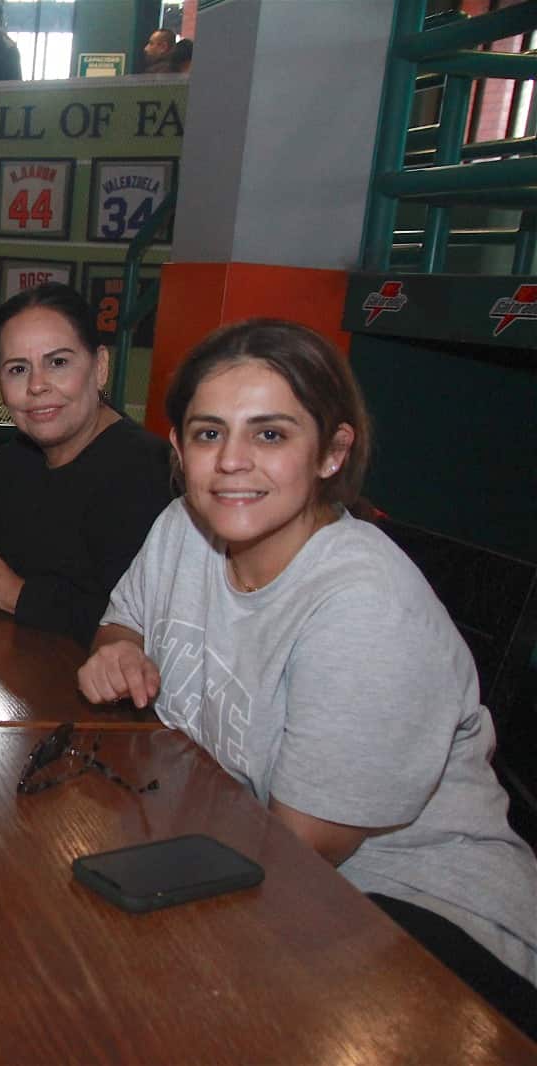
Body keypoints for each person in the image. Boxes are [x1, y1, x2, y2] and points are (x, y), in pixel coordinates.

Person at [77, 320, 537, 1038]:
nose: (232, 462)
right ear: (178, 449)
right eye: (207, 434)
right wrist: (117, 649)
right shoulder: (182, 528)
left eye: (269, 435)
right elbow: (120, 622)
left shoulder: (363, 604)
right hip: (253, 860)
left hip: (421, 917)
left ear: (331, 452)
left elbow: (298, 853)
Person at [0, 283, 171, 646]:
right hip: (8, 677)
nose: (37, 386)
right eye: (18, 369)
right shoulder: (16, 459)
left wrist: (13, 593)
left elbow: (141, 624)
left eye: (58, 362)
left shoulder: (145, 471)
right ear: (0, 384)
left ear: (100, 366)